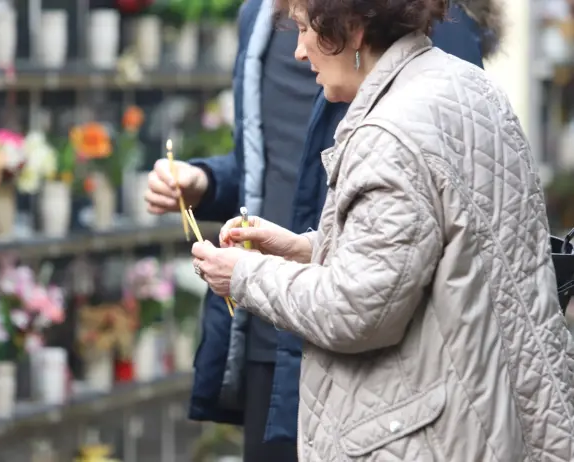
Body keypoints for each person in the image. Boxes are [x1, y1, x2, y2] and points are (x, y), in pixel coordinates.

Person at [188, 0, 574, 459]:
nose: (297, 51)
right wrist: (300, 248)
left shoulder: (389, 135)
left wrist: (242, 277)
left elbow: (357, 309)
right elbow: (421, 252)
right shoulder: (464, 86)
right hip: (496, 414)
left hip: (430, 437)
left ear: (349, 30)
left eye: (303, 28)